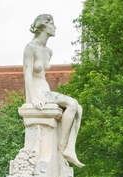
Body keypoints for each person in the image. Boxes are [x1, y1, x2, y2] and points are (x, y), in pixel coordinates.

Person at [23, 14, 83, 167]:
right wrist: (33, 98)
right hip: (37, 92)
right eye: (52, 24)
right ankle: (62, 147)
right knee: (71, 104)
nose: (55, 27)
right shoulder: (31, 48)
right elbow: (27, 75)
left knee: (78, 108)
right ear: (43, 26)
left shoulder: (48, 51)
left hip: (45, 90)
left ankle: (69, 148)